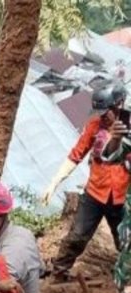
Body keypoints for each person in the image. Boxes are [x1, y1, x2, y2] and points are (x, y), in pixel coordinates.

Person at [42, 85, 130, 280]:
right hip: (94, 193)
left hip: (120, 198)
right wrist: (54, 182)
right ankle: (59, 274)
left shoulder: (128, 128)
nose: (103, 117)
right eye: (100, 113)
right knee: (77, 236)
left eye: (106, 112)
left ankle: (125, 280)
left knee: (125, 242)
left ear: (117, 106)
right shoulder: (94, 126)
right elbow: (76, 154)